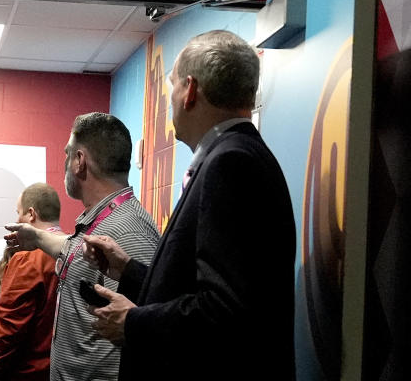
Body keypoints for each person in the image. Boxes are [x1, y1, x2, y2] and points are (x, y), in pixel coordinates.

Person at [84, 30, 296, 380]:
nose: (170, 98)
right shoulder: (235, 155)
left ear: (191, 90)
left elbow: (226, 310)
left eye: (171, 86)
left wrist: (133, 322)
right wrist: (127, 269)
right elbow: (200, 286)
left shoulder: (232, 163)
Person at [4, 112, 160, 381]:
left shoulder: (129, 231)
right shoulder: (103, 221)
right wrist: (37, 238)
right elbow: (76, 253)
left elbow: (137, 334)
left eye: (67, 154)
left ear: (79, 161)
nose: (64, 163)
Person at [0, 183, 62, 381]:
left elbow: (10, 328)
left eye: (18, 212)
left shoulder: (27, 258)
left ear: (31, 214)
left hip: (25, 371)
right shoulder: (77, 251)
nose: (16, 218)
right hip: (63, 370)